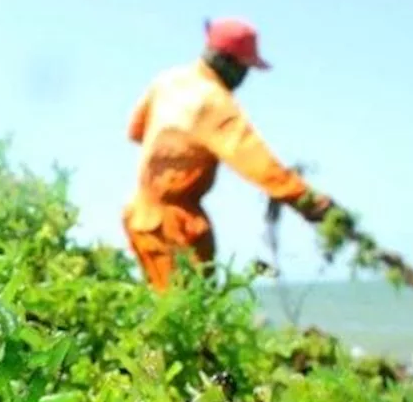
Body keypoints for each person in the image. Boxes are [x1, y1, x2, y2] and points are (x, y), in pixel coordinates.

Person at [122, 18, 335, 292]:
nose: (245, 79)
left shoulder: (168, 81)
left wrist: (176, 148)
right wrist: (311, 203)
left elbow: (136, 131)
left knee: (165, 310)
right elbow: (261, 168)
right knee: (189, 319)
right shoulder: (215, 103)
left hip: (140, 216)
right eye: (245, 69)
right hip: (174, 225)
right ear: (228, 62)